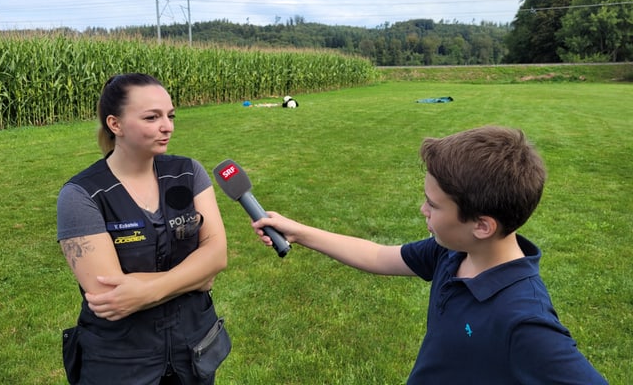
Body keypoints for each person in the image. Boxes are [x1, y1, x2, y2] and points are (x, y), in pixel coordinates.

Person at [251, 126, 608, 384]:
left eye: (433, 204)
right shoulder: (450, 254)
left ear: (482, 226)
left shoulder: (523, 321)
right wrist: (300, 232)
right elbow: (378, 256)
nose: (423, 209)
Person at [57, 73, 229, 385]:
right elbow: (110, 297)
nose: (168, 126)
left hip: (193, 352)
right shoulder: (80, 195)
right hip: (119, 362)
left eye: (170, 115)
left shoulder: (188, 173)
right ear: (115, 125)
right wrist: (195, 276)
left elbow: (217, 256)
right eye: (152, 117)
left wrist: (146, 290)